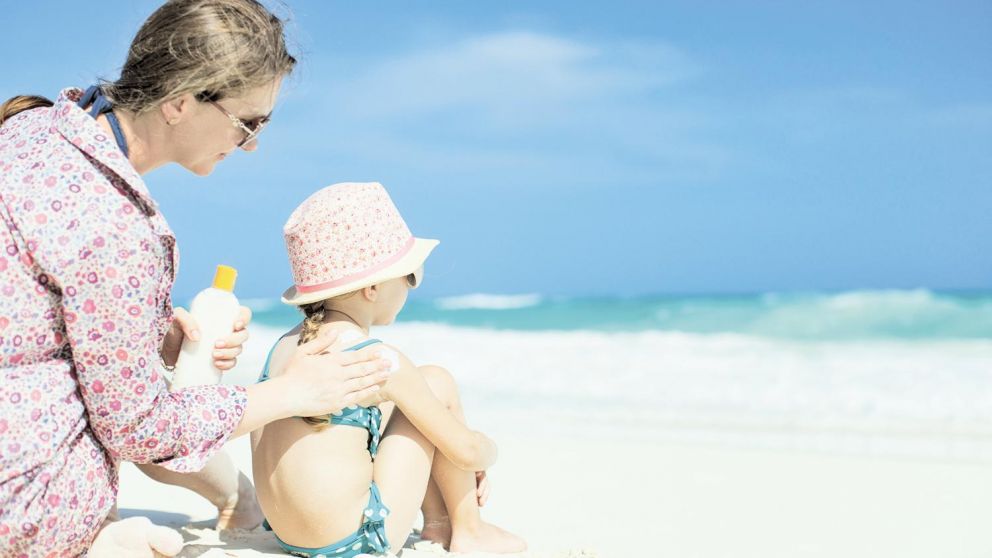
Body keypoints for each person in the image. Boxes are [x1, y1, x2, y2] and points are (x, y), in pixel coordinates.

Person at [0, 1, 390, 555]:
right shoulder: (115, 226)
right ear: (180, 101)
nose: (253, 144)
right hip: (21, 507)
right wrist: (293, 391)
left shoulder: (33, 129)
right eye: (248, 122)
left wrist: (152, 335)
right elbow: (139, 431)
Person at [251, 182, 526, 557]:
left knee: (405, 408)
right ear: (373, 287)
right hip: (353, 544)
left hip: (290, 535)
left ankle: (437, 523)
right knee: (435, 383)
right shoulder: (379, 358)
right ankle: (469, 530)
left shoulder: (285, 347)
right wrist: (481, 450)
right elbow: (465, 451)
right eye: (410, 275)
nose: (412, 287)